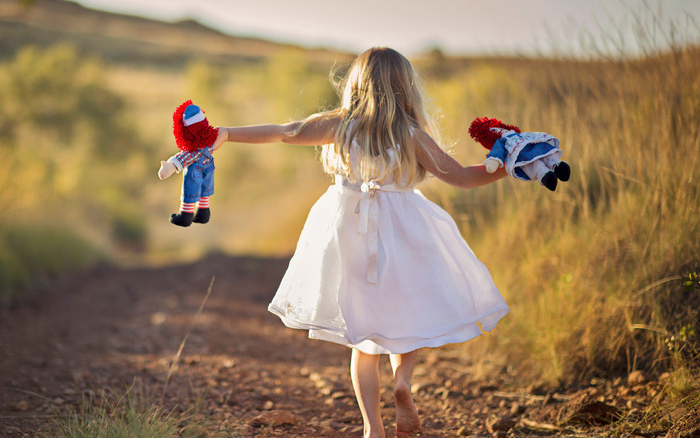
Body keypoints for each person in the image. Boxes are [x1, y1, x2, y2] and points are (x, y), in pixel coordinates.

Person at [165, 47, 510, 438]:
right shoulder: (412, 134)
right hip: (405, 228)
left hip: (351, 229)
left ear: (356, 84)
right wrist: (509, 165)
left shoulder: (340, 124)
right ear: (405, 87)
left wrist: (225, 134)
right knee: (409, 314)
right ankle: (403, 382)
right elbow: (463, 176)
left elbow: (283, 132)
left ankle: (372, 428)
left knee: (363, 339)